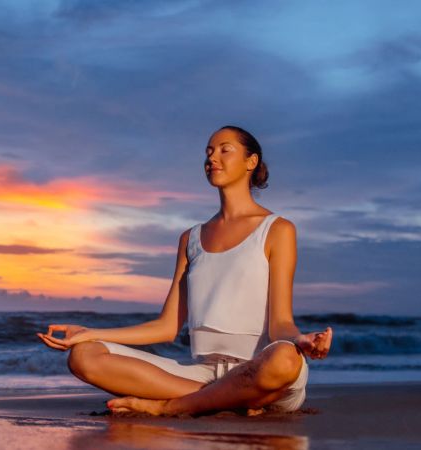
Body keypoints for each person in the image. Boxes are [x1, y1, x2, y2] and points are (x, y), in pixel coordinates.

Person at [37, 125, 333, 417]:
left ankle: (171, 406)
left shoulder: (277, 229)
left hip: (260, 370)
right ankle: (227, 399)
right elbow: (166, 327)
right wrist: (89, 333)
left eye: (224, 150)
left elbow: (280, 323)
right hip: (200, 375)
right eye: (209, 152)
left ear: (251, 162)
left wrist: (300, 340)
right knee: (84, 357)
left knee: (283, 360)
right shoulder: (190, 238)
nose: (212, 158)